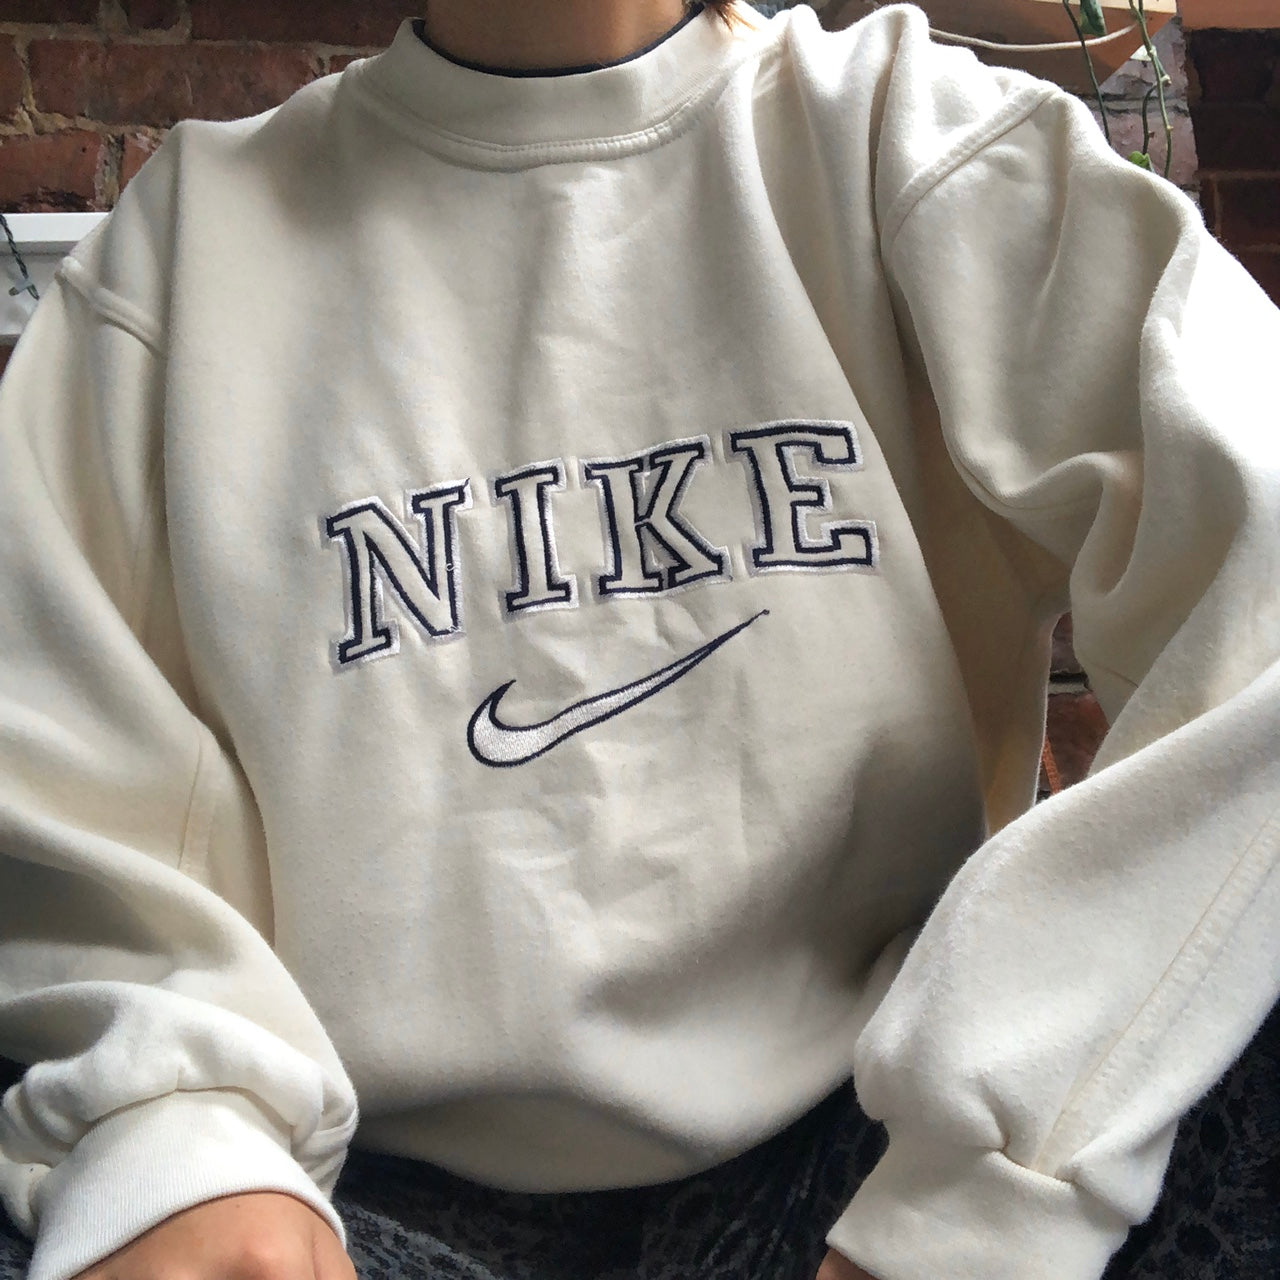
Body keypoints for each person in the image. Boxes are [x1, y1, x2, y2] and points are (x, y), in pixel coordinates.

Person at [0, 1, 1277, 1278]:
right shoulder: (184, 253)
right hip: (355, 1197)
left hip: (867, 1155)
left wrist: (985, 1191)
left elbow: (1256, 582)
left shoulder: (903, 140)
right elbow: (53, 763)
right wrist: (174, 1134)